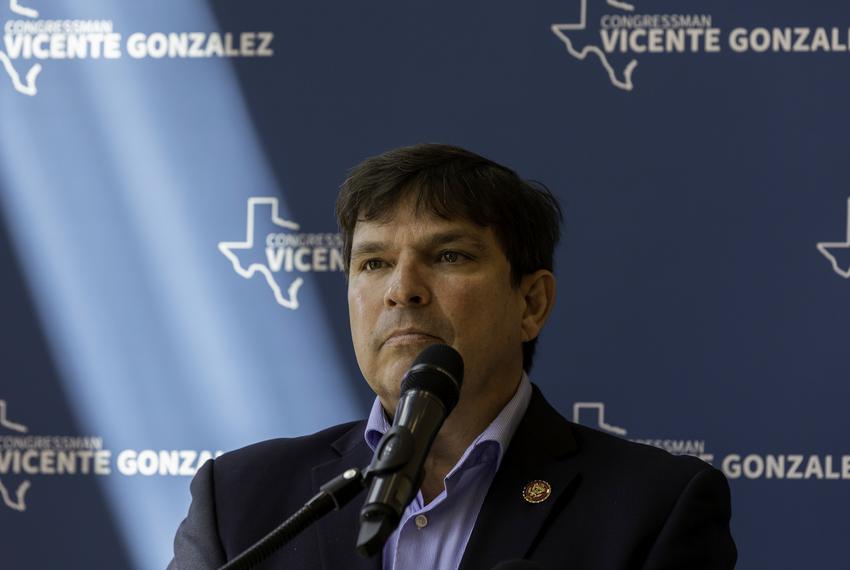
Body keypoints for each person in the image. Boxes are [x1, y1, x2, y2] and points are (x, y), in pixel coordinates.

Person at [169, 144, 736, 569]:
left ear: (531, 304)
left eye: (448, 256)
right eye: (373, 263)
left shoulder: (654, 508)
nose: (402, 289)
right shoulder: (241, 499)